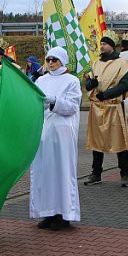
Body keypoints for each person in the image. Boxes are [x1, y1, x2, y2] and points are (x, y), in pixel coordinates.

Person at [30, 47, 83, 230]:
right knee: (43, 172)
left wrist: (53, 101)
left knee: (62, 172)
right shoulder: (41, 80)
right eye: (48, 59)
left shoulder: (72, 81)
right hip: (44, 132)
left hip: (62, 133)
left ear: (62, 61)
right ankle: (47, 212)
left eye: (54, 59)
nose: (51, 63)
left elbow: (72, 106)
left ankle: (63, 214)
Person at [83, 32, 128, 187]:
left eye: (104, 43)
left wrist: (105, 94)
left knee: (120, 142)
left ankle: (124, 174)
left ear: (111, 45)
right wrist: (91, 83)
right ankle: (96, 173)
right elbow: (88, 85)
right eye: (101, 43)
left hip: (113, 106)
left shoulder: (122, 63)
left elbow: (124, 85)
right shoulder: (96, 64)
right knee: (96, 142)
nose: (101, 46)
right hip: (97, 107)